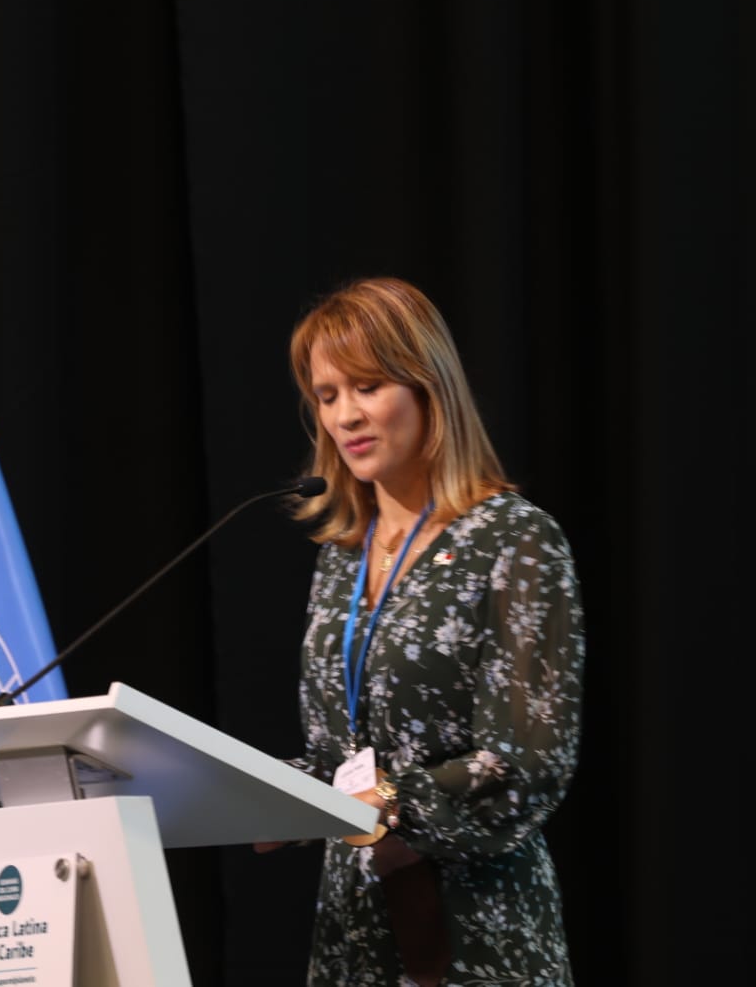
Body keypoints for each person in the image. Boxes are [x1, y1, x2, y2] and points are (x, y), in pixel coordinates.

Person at [269, 275, 586, 986]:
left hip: (479, 932)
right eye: (327, 396)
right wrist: (254, 793)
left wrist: (391, 802)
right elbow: (337, 757)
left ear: (428, 388)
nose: (346, 415)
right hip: (354, 928)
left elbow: (528, 760)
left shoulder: (514, 540)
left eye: (368, 387)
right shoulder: (342, 558)